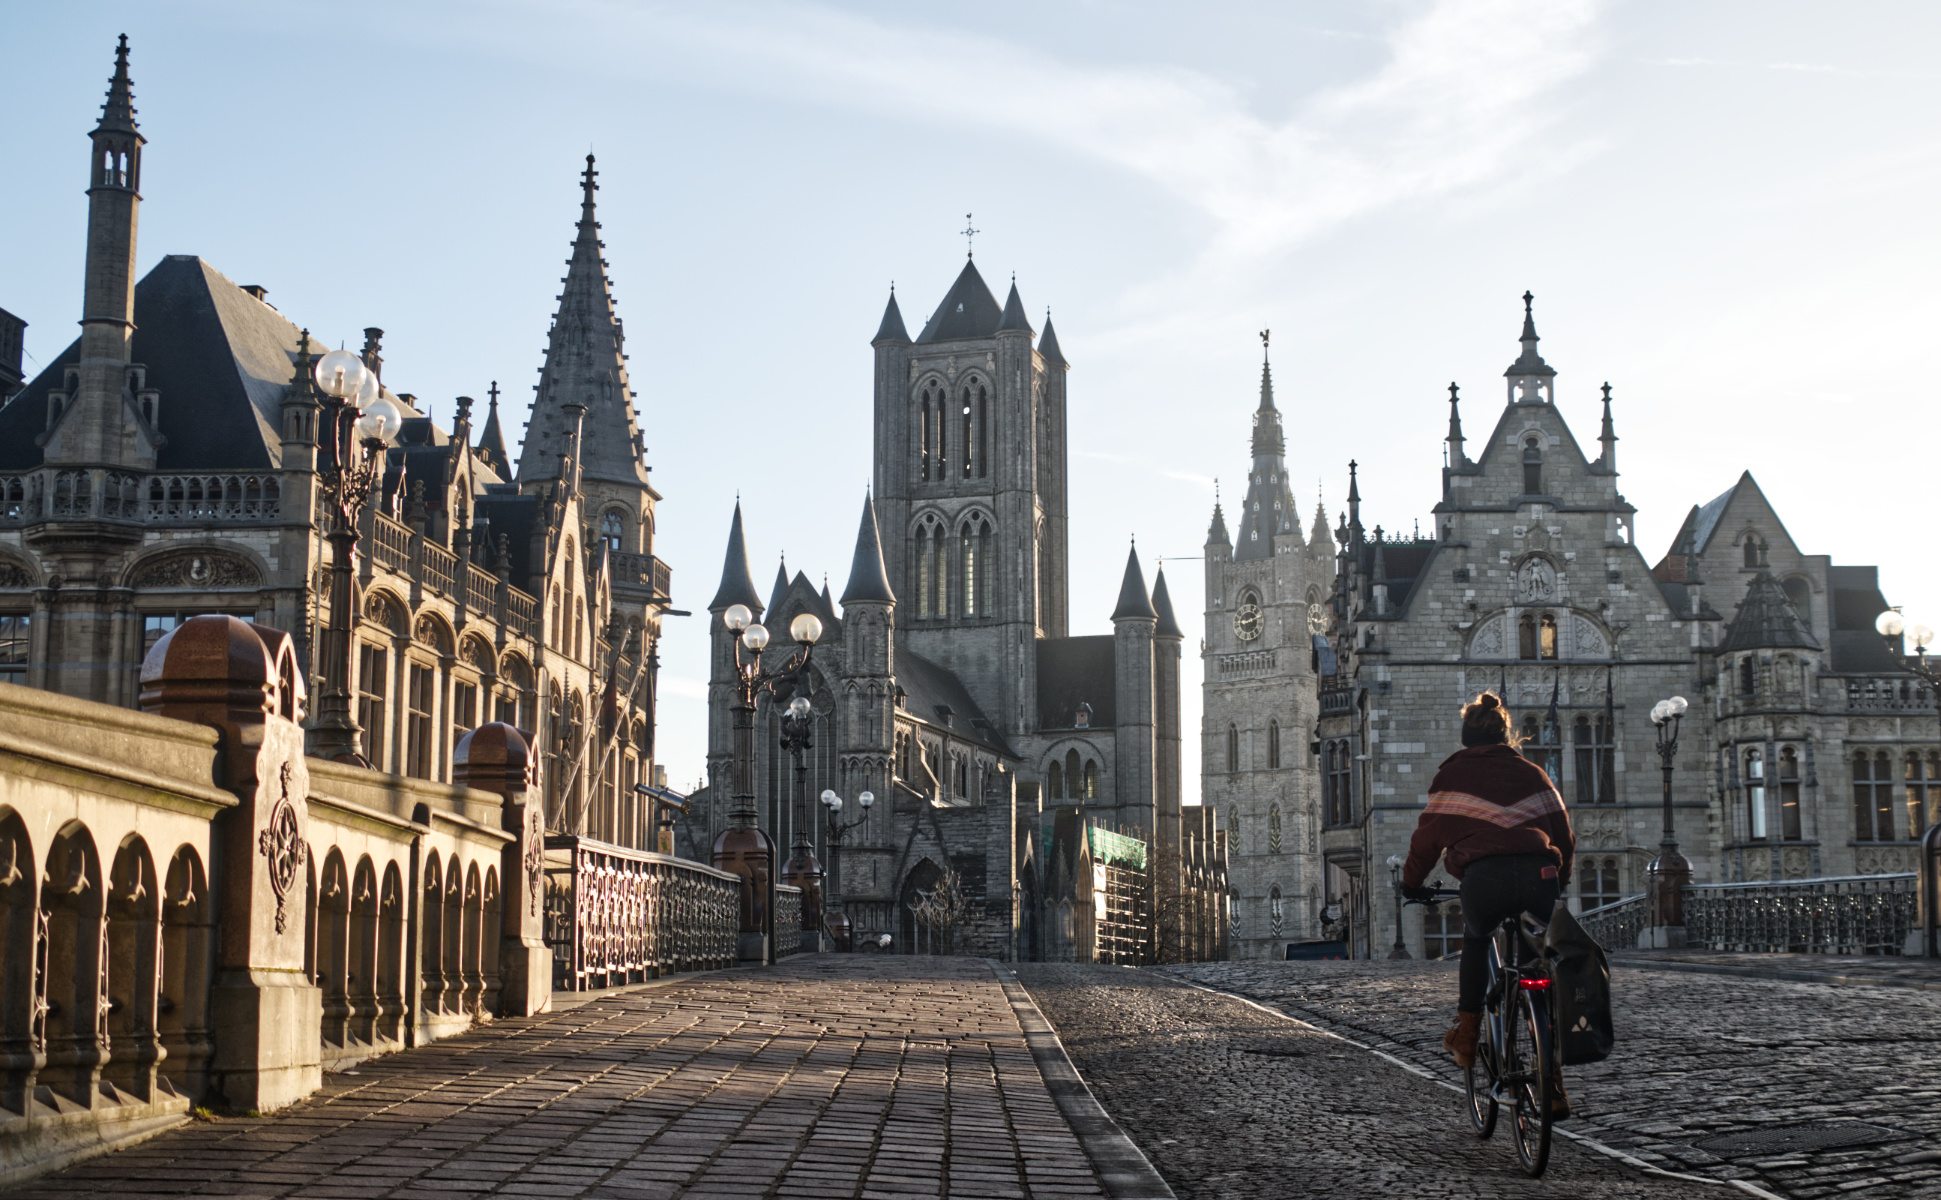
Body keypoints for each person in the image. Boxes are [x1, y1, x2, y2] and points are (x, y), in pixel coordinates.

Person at [1401, 692, 1575, 1116]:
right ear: (1505, 735)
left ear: (1465, 739)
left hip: (1485, 880)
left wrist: (1411, 883)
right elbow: (1564, 835)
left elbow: (1427, 841)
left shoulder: (1453, 776)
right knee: (1539, 961)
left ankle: (1467, 1033)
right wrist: (1561, 880)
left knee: (1477, 940)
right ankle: (1551, 1078)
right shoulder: (1534, 773)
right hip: (1539, 878)